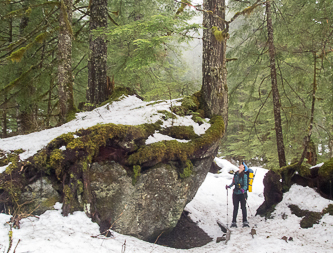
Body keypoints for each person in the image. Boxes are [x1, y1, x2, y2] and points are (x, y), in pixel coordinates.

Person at [226, 162, 249, 228]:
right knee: (235, 207)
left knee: (243, 207)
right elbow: (233, 182)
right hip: (235, 193)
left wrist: (243, 190)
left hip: (242, 194)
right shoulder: (236, 174)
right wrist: (229, 186)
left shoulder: (244, 175)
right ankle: (234, 222)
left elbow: (245, 185)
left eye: (242, 165)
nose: (240, 166)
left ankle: (245, 221)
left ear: (244, 168)